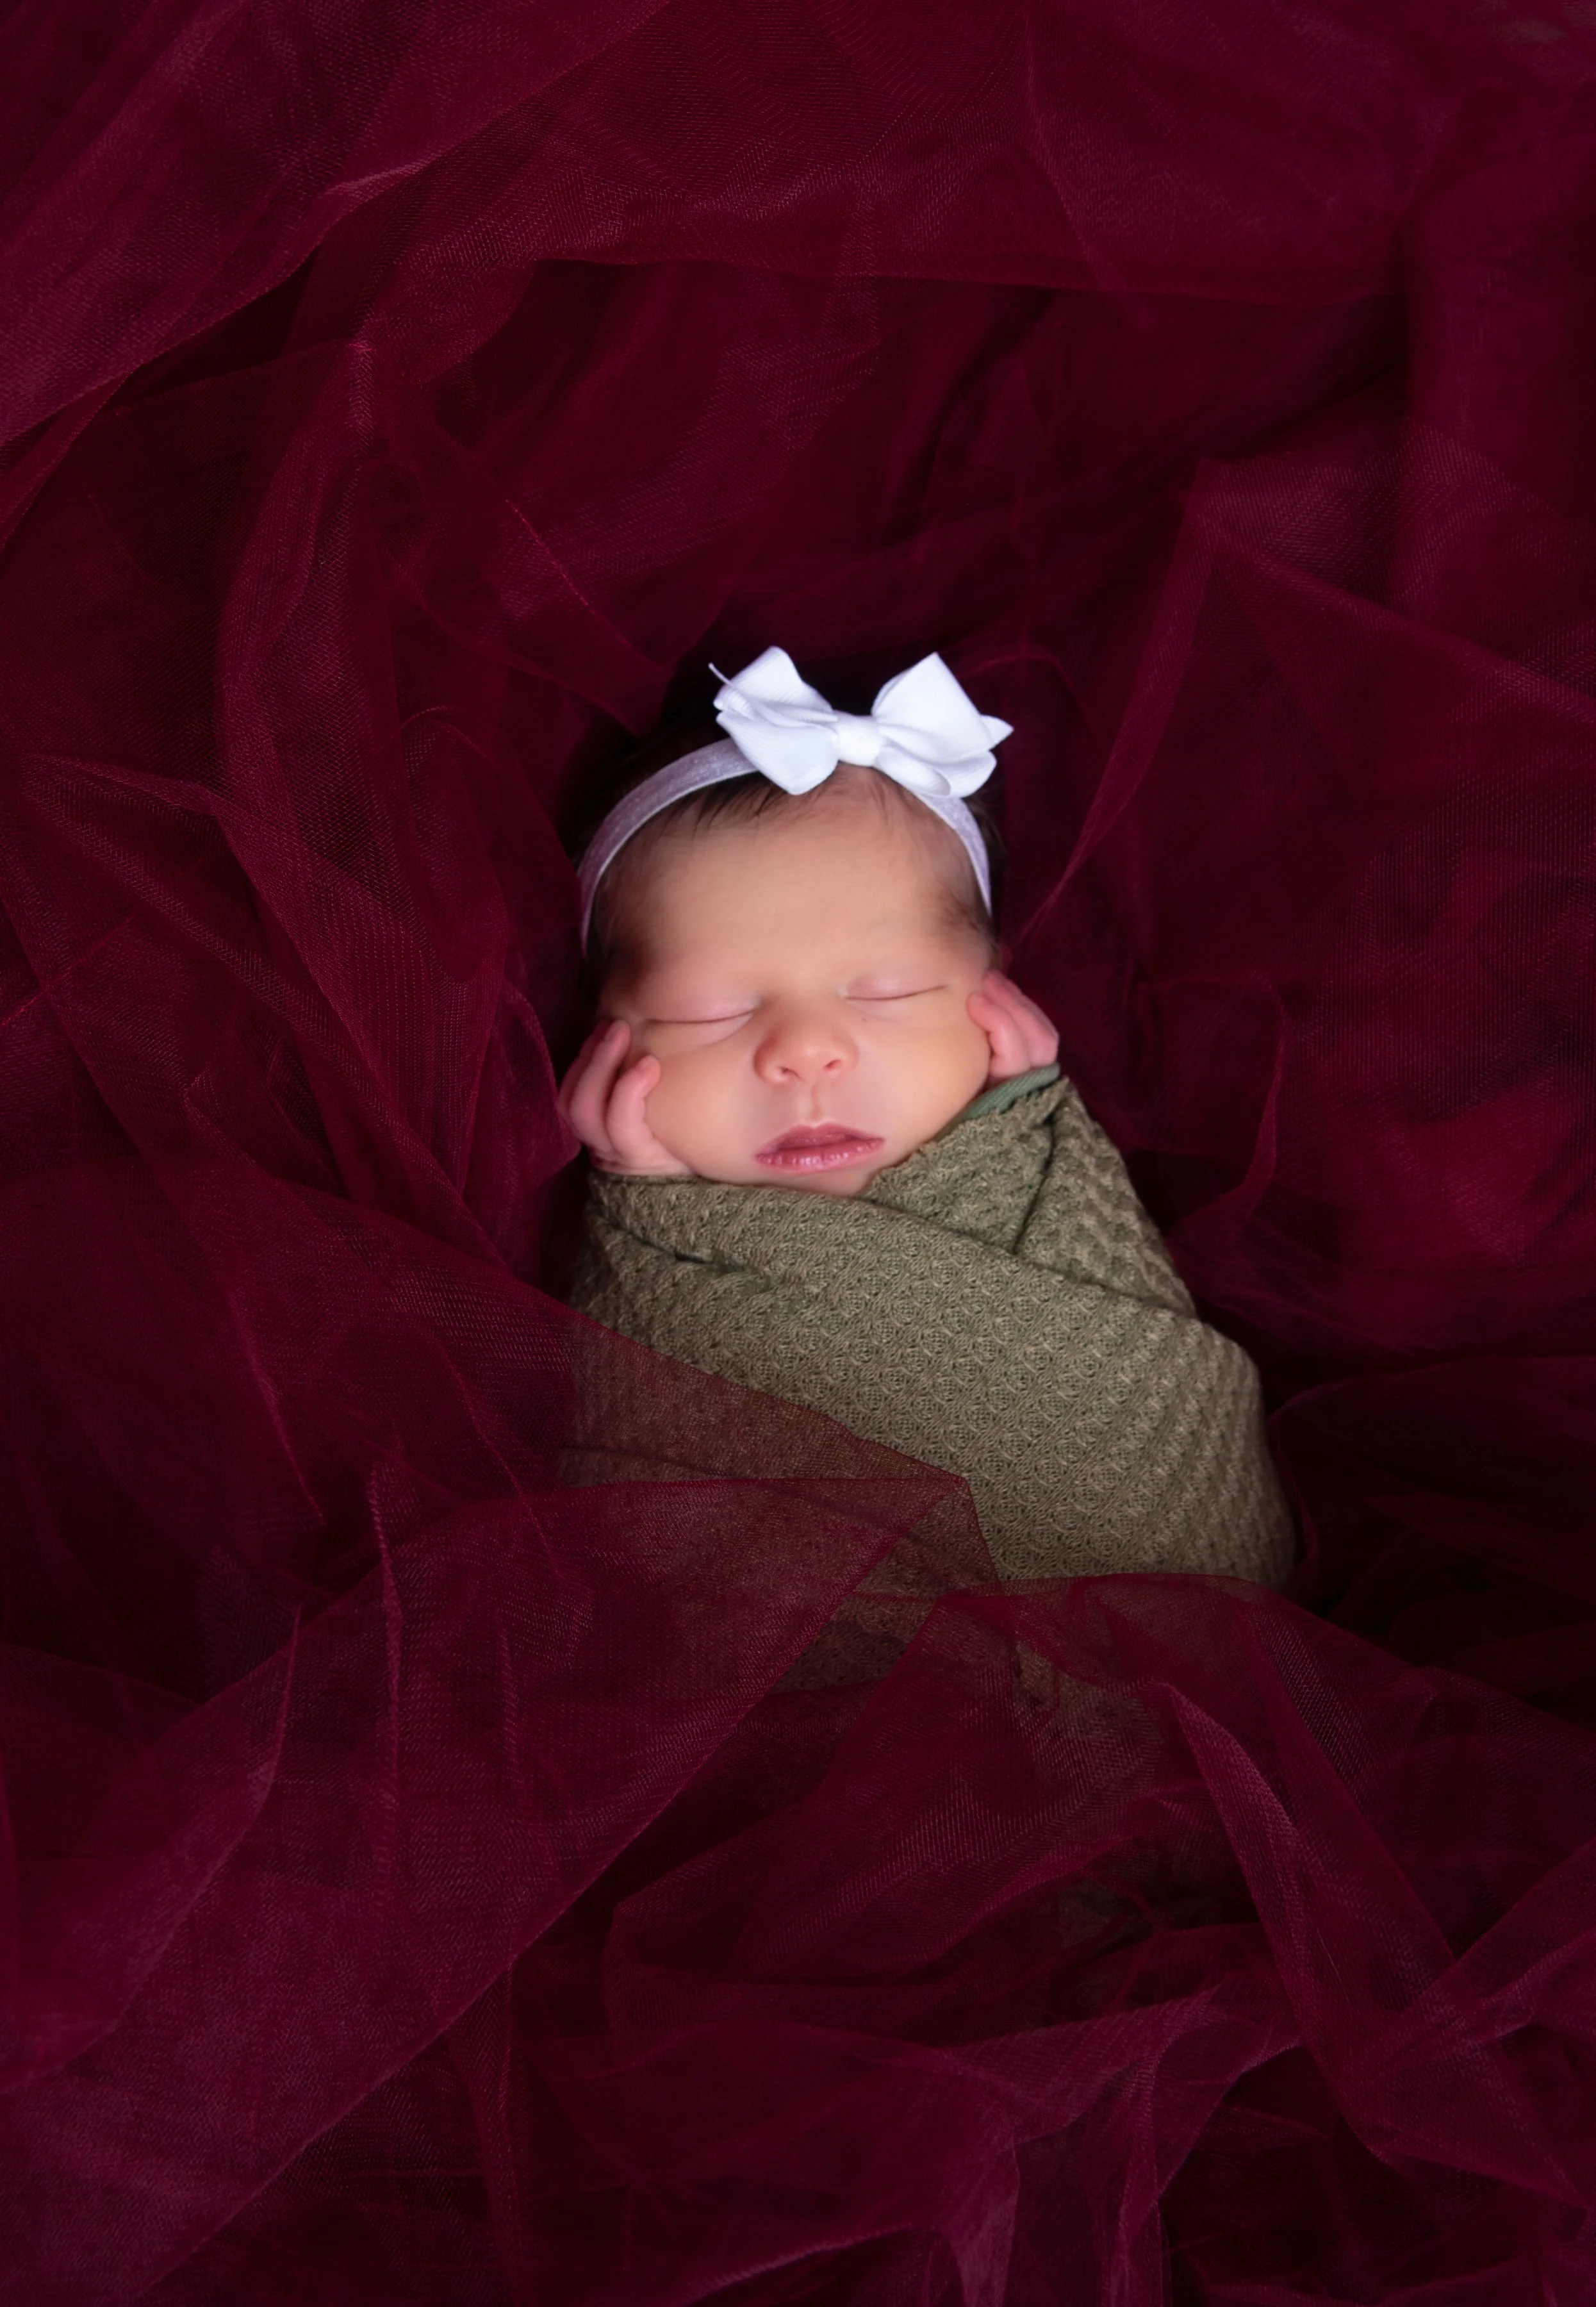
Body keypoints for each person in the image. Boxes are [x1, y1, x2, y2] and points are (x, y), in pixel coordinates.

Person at [559, 646, 1296, 1582]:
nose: (804, 1052)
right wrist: (641, 1194)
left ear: (995, 1001)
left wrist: (1021, 1115)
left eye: (892, 992)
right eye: (712, 1010)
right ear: (606, 1037)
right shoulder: (649, 1252)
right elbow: (642, 1479)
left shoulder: (1032, 1162)